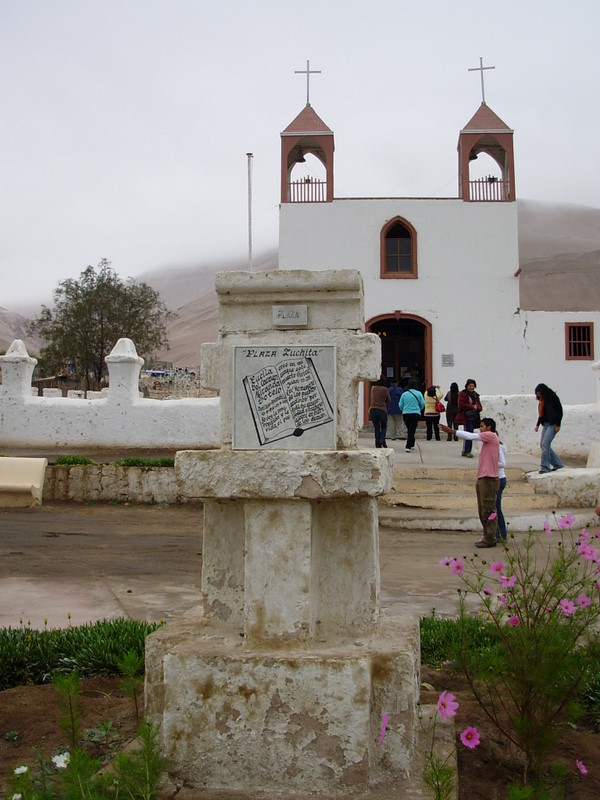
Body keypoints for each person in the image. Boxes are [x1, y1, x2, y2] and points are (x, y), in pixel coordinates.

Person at [440, 417, 500, 548]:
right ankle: (488, 535)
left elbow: (471, 436)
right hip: (484, 478)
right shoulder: (489, 440)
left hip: (489, 479)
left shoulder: (490, 436)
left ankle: (490, 537)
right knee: (483, 509)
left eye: (482, 426)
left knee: (488, 509)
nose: (481, 429)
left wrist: (452, 431)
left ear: (489, 427)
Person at [534, 383, 565, 474]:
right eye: (537, 394)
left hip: (553, 424)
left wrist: (558, 424)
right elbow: (541, 415)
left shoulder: (553, 398)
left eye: (540, 393)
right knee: (543, 445)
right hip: (546, 424)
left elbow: (559, 411)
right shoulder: (542, 401)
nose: (539, 396)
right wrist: (537, 425)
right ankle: (558, 464)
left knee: (545, 444)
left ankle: (545, 467)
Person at [454, 379, 482, 458]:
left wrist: (477, 407)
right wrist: (472, 407)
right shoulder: (463, 394)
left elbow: (480, 406)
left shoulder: (476, 395)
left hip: (474, 417)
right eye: (470, 386)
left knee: (470, 434)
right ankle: (467, 451)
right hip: (467, 417)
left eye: (473, 386)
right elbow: (461, 405)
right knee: (468, 434)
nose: (471, 387)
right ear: (467, 386)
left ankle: (466, 450)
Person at [399, 378, 425, 452]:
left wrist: (403, 409)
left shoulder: (404, 394)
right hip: (415, 413)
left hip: (406, 413)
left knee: (409, 429)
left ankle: (411, 443)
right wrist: (419, 409)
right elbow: (423, 404)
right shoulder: (419, 393)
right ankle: (409, 445)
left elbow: (400, 404)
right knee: (412, 429)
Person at [369, 377, 391, 448]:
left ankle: (377, 443)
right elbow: (389, 399)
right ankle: (382, 439)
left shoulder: (373, 388)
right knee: (384, 426)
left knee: (377, 427)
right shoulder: (385, 389)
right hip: (382, 409)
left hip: (373, 409)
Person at [496, 439, 507, 542]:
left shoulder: (498, 447)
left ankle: (501, 534)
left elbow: (502, 463)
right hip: (497, 478)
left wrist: (490, 462)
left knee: (496, 508)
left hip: (499, 479)